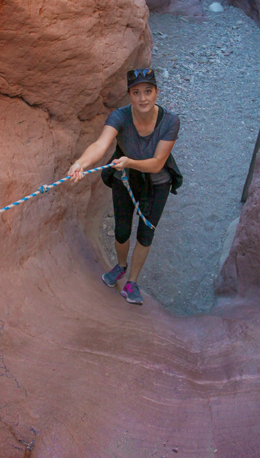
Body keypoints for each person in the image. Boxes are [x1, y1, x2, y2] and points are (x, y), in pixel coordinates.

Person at [68, 67, 180, 305]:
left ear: (157, 92)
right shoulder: (120, 116)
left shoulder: (170, 121)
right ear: (130, 95)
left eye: (148, 91)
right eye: (137, 92)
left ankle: (133, 282)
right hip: (126, 177)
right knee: (121, 230)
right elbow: (100, 145)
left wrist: (129, 161)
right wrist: (80, 163)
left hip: (157, 181)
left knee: (145, 233)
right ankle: (120, 266)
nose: (143, 98)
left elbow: (158, 162)